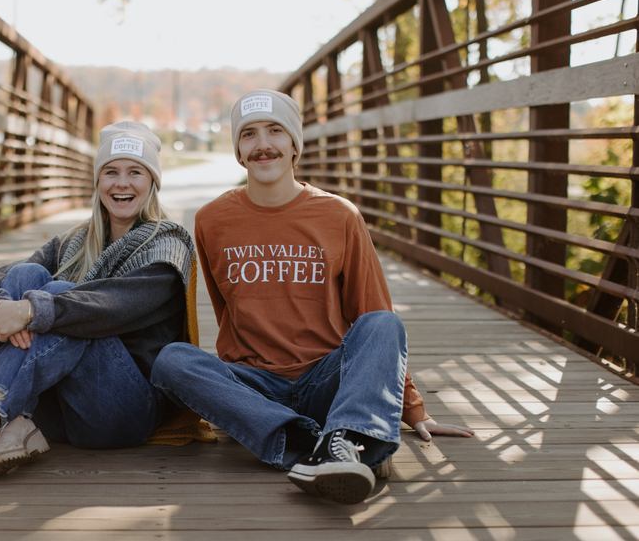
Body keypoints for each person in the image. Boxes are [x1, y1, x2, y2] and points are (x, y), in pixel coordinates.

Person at [151, 90, 473, 505]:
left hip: (329, 380)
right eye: (248, 134)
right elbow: (224, 308)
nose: (262, 144)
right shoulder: (212, 220)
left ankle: (336, 432)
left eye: (275, 131)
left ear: (294, 144)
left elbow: (373, 310)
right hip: (255, 384)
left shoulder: (338, 215)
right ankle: (323, 443)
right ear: (238, 150)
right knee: (172, 359)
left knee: (383, 324)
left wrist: (412, 409)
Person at [0, 121, 207, 488]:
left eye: (136, 172)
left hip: (121, 412)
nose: (122, 183)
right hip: (61, 411)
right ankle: (14, 422)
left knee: (64, 299)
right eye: (111, 172)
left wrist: (30, 312)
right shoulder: (74, 241)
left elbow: (108, 307)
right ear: (98, 181)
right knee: (27, 275)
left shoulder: (167, 246)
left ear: (153, 182)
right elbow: (4, 278)